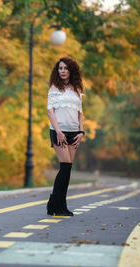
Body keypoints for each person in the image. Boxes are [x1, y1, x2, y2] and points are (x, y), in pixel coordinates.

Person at [46, 57, 85, 216]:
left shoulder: (77, 89)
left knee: (67, 170)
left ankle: (56, 204)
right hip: (59, 131)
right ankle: (57, 204)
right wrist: (59, 131)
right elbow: (50, 111)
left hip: (74, 132)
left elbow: (80, 113)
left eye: (65, 68)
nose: (62, 71)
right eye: (60, 68)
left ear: (71, 70)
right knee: (65, 167)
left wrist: (81, 132)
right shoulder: (54, 88)